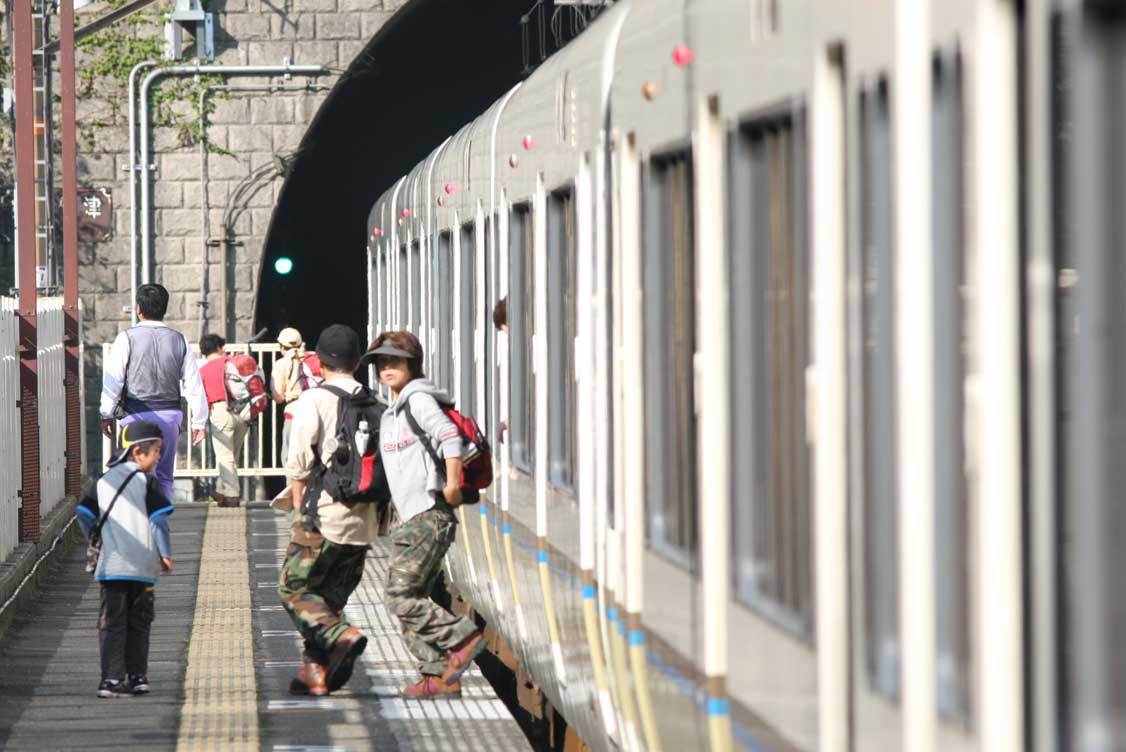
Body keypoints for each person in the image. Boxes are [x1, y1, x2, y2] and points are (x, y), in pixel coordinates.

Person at [359, 330, 486, 700]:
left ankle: (462, 639)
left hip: (428, 513)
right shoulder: (396, 408)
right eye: (381, 363)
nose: (386, 369)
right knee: (411, 595)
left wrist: (452, 482)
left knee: (399, 597)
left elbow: (449, 437)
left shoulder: (418, 400)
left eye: (394, 362)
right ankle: (438, 676)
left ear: (412, 364)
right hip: (414, 515)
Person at [279, 324, 376, 696]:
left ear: (318, 362)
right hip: (364, 520)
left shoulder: (314, 400)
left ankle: (342, 635)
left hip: (324, 514)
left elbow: (300, 462)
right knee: (326, 599)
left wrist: (301, 515)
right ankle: (314, 674)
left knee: (294, 589)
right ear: (357, 362)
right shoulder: (372, 400)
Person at [76, 420, 174, 699]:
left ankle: (110, 679)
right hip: (143, 567)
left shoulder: (103, 481)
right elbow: (159, 522)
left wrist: (96, 536)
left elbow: (83, 513)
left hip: (111, 567)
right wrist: (165, 553)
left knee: (111, 623)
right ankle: (138, 676)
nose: (158, 458)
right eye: (156, 451)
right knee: (140, 621)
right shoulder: (148, 482)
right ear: (137, 453)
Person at [99, 283, 207, 499]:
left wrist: (106, 413)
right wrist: (199, 421)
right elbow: (194, 384)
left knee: (134, 475)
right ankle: (160, 522)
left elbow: (114, 381)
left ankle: (139, 524)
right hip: (170, 415)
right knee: (165, 476)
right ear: (165, 308)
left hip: (135, 416)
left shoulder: (126, 338)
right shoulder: (180, 339)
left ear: (138, 308)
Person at [198, 334, 247, 507]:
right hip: (242, 411)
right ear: (219, 347)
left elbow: (200, 398)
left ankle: (232, 495)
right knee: (233, 455)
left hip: (220, 411)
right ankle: (221, 491)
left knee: (225, 456)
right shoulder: (233, 363)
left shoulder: (203, 370)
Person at [272, 327, 313, 464]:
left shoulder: (280, 364)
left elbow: (278, 397)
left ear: (281, 346)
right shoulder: (313, 358)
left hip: (294, 411)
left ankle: (294, 485)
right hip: (316, 410)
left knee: (290, 457)